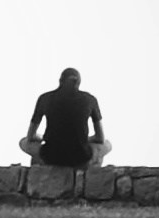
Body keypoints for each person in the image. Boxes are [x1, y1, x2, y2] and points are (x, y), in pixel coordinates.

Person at [19, 65, 108, 195]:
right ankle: (90, 182)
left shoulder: (45, 98)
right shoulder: (90, 99)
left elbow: (30, 136)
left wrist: (43, 137)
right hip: (81, 156)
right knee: (107, 145)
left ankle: (38, 179)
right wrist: (86, 139)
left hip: (50, 156)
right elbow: (100, 138)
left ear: (60, 81)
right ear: (79, 83)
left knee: (23, 142)